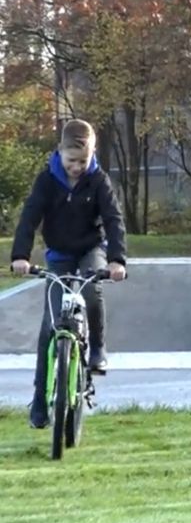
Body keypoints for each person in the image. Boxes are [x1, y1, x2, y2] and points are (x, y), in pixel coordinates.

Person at [9, 118, 127, 429]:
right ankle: (38, 400)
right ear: (59, 151)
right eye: (71, 160)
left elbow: (114, 220)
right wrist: (20, 255)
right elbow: (29, 218)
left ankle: (98, 349)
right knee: (50, 326)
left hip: (91, 248)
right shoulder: (47, 180)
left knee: (90, 288)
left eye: (82, 161)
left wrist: (116, 261)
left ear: (92, 154)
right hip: (59, 253)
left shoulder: (99, 180)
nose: (76, 167)